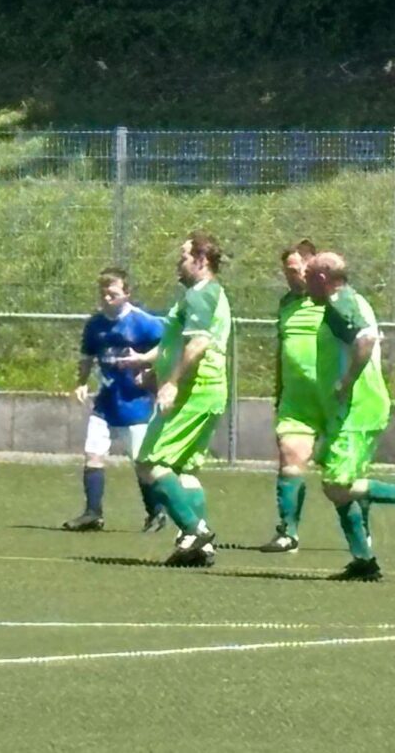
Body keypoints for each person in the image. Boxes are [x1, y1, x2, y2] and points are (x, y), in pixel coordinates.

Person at [305, 251, 395, 581]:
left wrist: (346, 382)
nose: (304, 283)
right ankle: (363, 561)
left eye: (309, 277)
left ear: (323, 279)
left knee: (337, 484)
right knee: (342, 485)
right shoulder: (351, 300)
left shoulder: (339, 304)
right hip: (349, 409)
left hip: (357, 408)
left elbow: (365, 339)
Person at [133, 232, 231, 566]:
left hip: (195, 390)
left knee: (150, 461)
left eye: (183, 257)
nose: (178, 263)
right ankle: (200, 549)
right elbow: (178, 342)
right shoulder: (199, 296)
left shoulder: (202, 295)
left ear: (201, 261)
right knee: (184, 469)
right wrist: (148, 363)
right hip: (207, 391)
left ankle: (194, 530)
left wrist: (171, 382)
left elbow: (198, 343)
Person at [64, 268, 166, 533]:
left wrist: (147, 365)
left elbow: (168, 346)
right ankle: (92, 513)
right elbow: (87, 356)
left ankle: (156, 512)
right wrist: (82, 383)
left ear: (127, 294)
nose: (107, 298)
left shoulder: (143, 322)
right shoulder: (95, 324)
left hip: (135, 402)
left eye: (113, 293)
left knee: (142, 463)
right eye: (103, 293)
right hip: (106, 402)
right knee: (93, 454)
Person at [259, 239, 327, 553]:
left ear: (312, 267)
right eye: (286, 272)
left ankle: (362, 533)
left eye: (295, 271)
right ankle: (288, 532)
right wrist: (278, 390)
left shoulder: (332, 302)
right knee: (289, 457)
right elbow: (282, 351)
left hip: (332, 396)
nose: (291, 277)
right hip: (295, 400)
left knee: (344, 476)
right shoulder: (286, 303)